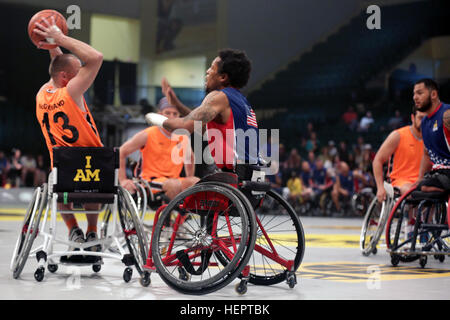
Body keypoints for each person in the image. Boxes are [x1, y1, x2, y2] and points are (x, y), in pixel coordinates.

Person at [33, 17, 104, 251]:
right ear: (67, 78)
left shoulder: (43, 92)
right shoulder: (71, 91)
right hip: (91, 163)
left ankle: (74, 230)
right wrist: (61, 38)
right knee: (93, 187)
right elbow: (96, 57)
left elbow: (58, 64)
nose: (83, 76)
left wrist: (52, 44)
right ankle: (93, 231)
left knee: (60, 190)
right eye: (78, 72)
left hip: (61, 166)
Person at [146, 49, 259, 173]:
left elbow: (184, 126)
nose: (207, 71)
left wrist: (157, 119)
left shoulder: (218, 96)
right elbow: (202, 126)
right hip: (253, 173)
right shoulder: (241, 101)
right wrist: (176, 104)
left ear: (222, 77)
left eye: (212, 68)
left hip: (236, 175)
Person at [119, 97, 199, 200]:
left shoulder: (182, 137)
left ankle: (186, 215)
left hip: (173, 180)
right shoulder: (148, 134)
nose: (171, 117)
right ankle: (172, 214)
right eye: (167, 113)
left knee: (196, 182)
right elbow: (121, 152)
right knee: (173, 185)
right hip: (149, 181)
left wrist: (189, 178)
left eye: (175, 114)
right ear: (160, 114)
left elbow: (190, 159)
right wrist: (123, 180)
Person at [372, 106, 425, 203]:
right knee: (413, 192)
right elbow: (377, 160)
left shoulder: (432, 139)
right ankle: (411, 218)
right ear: (413, 118)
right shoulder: (398, 135)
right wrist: (380, 187)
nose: (424, 122)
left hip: (423, 181)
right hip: (400, 181)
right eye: (421, 118)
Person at [414, 79, 450, 193]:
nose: (415, 97)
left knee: (425, 187)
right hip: (437, 173)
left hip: (447, 170)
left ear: (433, 94)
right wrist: (419, 178)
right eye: (414, 94)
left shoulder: (447, 114)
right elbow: (426, 154)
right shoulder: (424, 122)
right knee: (414, 191)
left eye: (419, 93)